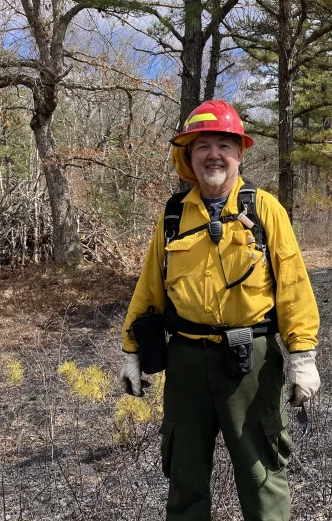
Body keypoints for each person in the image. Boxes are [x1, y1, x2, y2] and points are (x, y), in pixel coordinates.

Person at [119, 100, 321, 521]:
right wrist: (131, 350)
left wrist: (303, 356)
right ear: (188, 156)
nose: (214, 154)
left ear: (239, 153)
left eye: (224, 145)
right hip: (186, 362)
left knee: (262, 473)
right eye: (203, 145)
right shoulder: (172, 215)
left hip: (251, 361)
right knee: (184, 477)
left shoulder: (265, 209)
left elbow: (294, 286)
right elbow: (149, 288)